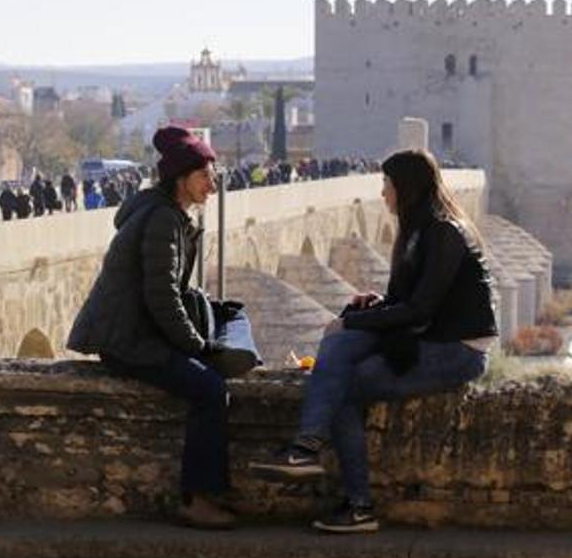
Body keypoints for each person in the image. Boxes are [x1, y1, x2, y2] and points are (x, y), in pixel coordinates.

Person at [249, 149, 497, 534]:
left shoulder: (445, 232)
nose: (383, 194)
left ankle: (357, 502)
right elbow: (409, 304)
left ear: (406, 188)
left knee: (344, 383)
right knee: (339, 344)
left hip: (458, 350)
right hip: (425, 337)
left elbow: (421, 309)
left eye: (387, 185)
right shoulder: (418, 232)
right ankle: (306, 446)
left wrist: (358, 322)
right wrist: (372, 306)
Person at [67, 126, 235, 530]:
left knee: (208, 380)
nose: (212, 187)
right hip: (128, 340)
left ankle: (203, 495)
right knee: (210, 390)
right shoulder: (163, 220)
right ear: (181, 178)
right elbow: (162, 297)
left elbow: (169, 290)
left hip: (134, 332)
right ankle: (197, 499)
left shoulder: (165, 213)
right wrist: (196, 347)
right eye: (205, 177)